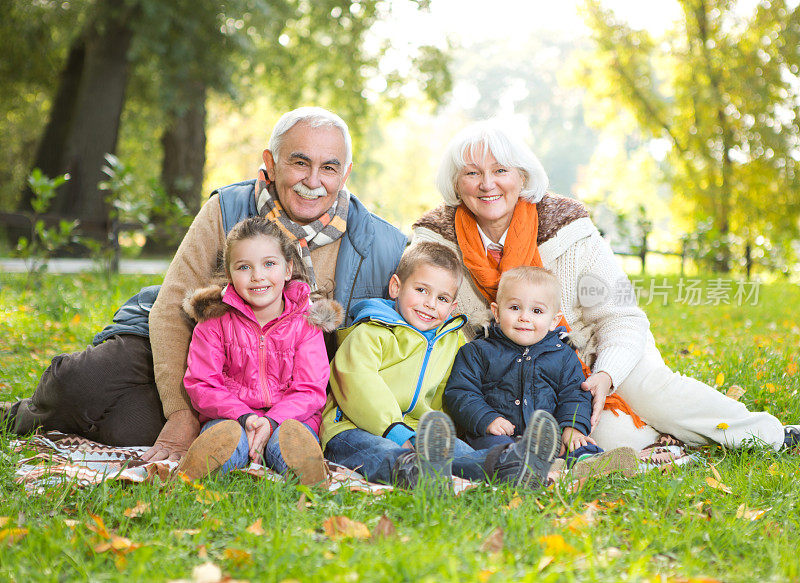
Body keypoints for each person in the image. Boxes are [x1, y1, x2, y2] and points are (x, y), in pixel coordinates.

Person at [5, 107, 408, 462]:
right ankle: (22, 413)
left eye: (329, 167)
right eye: (299, 163)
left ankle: (100, 420)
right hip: (184, 341)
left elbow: (433, 306)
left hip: (258, 385)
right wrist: (181, 413)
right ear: (271, 161)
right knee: (83, 383)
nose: (313, 180)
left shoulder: (382, 243)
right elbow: (170, 306)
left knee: (128, 430)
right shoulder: (228, 208)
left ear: (346, 173)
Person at [412, 119, 798, 452]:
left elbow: (621, 315)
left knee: (655, 395)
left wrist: (606, 374)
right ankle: (664, 442)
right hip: (517, 378)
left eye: (500, 171)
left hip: (600, 348)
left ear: (522, 177)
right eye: (472, 173)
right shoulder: (435, 245)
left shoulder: (569, 231)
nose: (487, 185)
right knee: (611, 440)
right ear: (456, 183)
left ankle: (773, 436)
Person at [320, 242, 560, 488]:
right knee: (379, 452)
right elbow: (358, 382)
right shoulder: (371, 331)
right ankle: (414, 473)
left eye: (442, 298)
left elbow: (452, 391)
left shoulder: (452, 340)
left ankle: (512, 465)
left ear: (452, 307)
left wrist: (447, 434)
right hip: (353, 426)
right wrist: (396, 431)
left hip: (421, 431)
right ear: (396, 287)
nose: (431, 304)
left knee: (460, 453)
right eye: (422, 290)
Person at [173, 217, 341, 484]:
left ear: (288, 269)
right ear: (229, 275)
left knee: (287, 442)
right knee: (229, 439)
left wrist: (272, 421)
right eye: (244, 267)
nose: (257, 276)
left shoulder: (306, 322)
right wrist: (245, 417)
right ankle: (197, 470)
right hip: (231, 417)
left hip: (290, 418)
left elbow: (310, 389)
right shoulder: (214, 322)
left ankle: (308, 471)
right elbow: (202, 384)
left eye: (269, 264)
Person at [444, 266, 637, 477]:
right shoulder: (477, 351)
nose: (524, 317)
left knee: (578, 443)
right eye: (515, 307)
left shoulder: (562, 356)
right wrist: (487, 418)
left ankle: (590, 462)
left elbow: (574, 394)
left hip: (549, 438)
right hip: (496, 435)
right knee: (496, 452)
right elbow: (461, 393)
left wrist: (572, 428)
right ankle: (527, 467)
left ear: (554, 321)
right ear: (497, 312)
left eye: (537, 311)